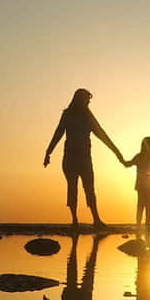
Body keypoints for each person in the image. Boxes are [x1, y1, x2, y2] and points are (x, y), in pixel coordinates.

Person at [44, 89, 125, 230]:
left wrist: (116, 151)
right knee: (73, 188)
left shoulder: (88, 116)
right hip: (70, 158)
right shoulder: (68, 115)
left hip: (84, 158)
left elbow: (101, 134)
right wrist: (48, 152)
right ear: (79, 99)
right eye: (87, 100)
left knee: (89, 189)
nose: (88, 102)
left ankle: (96, 219)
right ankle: (75, 220)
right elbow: (58, 133)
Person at [122, 136, 150, 231]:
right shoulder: (140, 156)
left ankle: (145, 225)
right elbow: (128, 164)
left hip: (149, 185)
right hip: (142, 185)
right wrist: (122, 160)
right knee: (143, 206)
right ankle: (140, 225)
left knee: (146, 206)